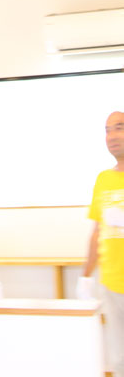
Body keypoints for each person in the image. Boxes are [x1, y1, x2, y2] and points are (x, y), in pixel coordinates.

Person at [78, 111, 124, 377]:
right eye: (107, 130)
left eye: (119, 127)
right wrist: (85, 277)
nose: (112, 136)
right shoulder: (103, 179)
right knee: (117, 359)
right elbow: (97, 232)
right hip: (111, 284)